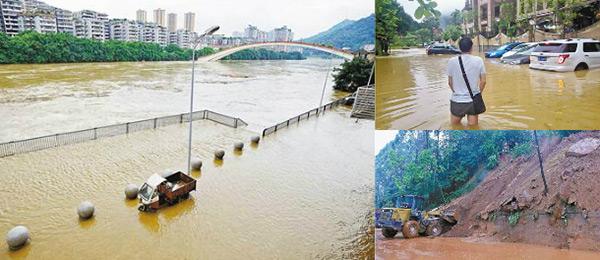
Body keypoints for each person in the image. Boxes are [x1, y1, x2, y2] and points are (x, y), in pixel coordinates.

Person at [447, 37, 487, 126]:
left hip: (457, 101)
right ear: (471, 47)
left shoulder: (451, 61)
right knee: (474, 128)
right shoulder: (479, 60)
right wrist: (477, 94)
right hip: (472, 101)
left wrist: (457, 92)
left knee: (455, 126)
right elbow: (483, 81)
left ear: (459, 48)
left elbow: (450, 83)